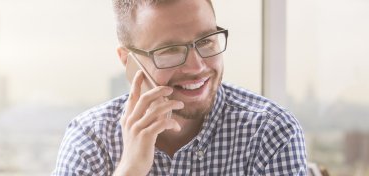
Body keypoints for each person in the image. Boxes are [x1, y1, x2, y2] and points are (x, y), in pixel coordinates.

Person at [52, 0, 308, 175]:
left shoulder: (270, 133)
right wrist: (130, 168)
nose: (197, 67)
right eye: (170, 50)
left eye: (206, 41)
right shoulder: (90, 139)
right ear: (128, 61)